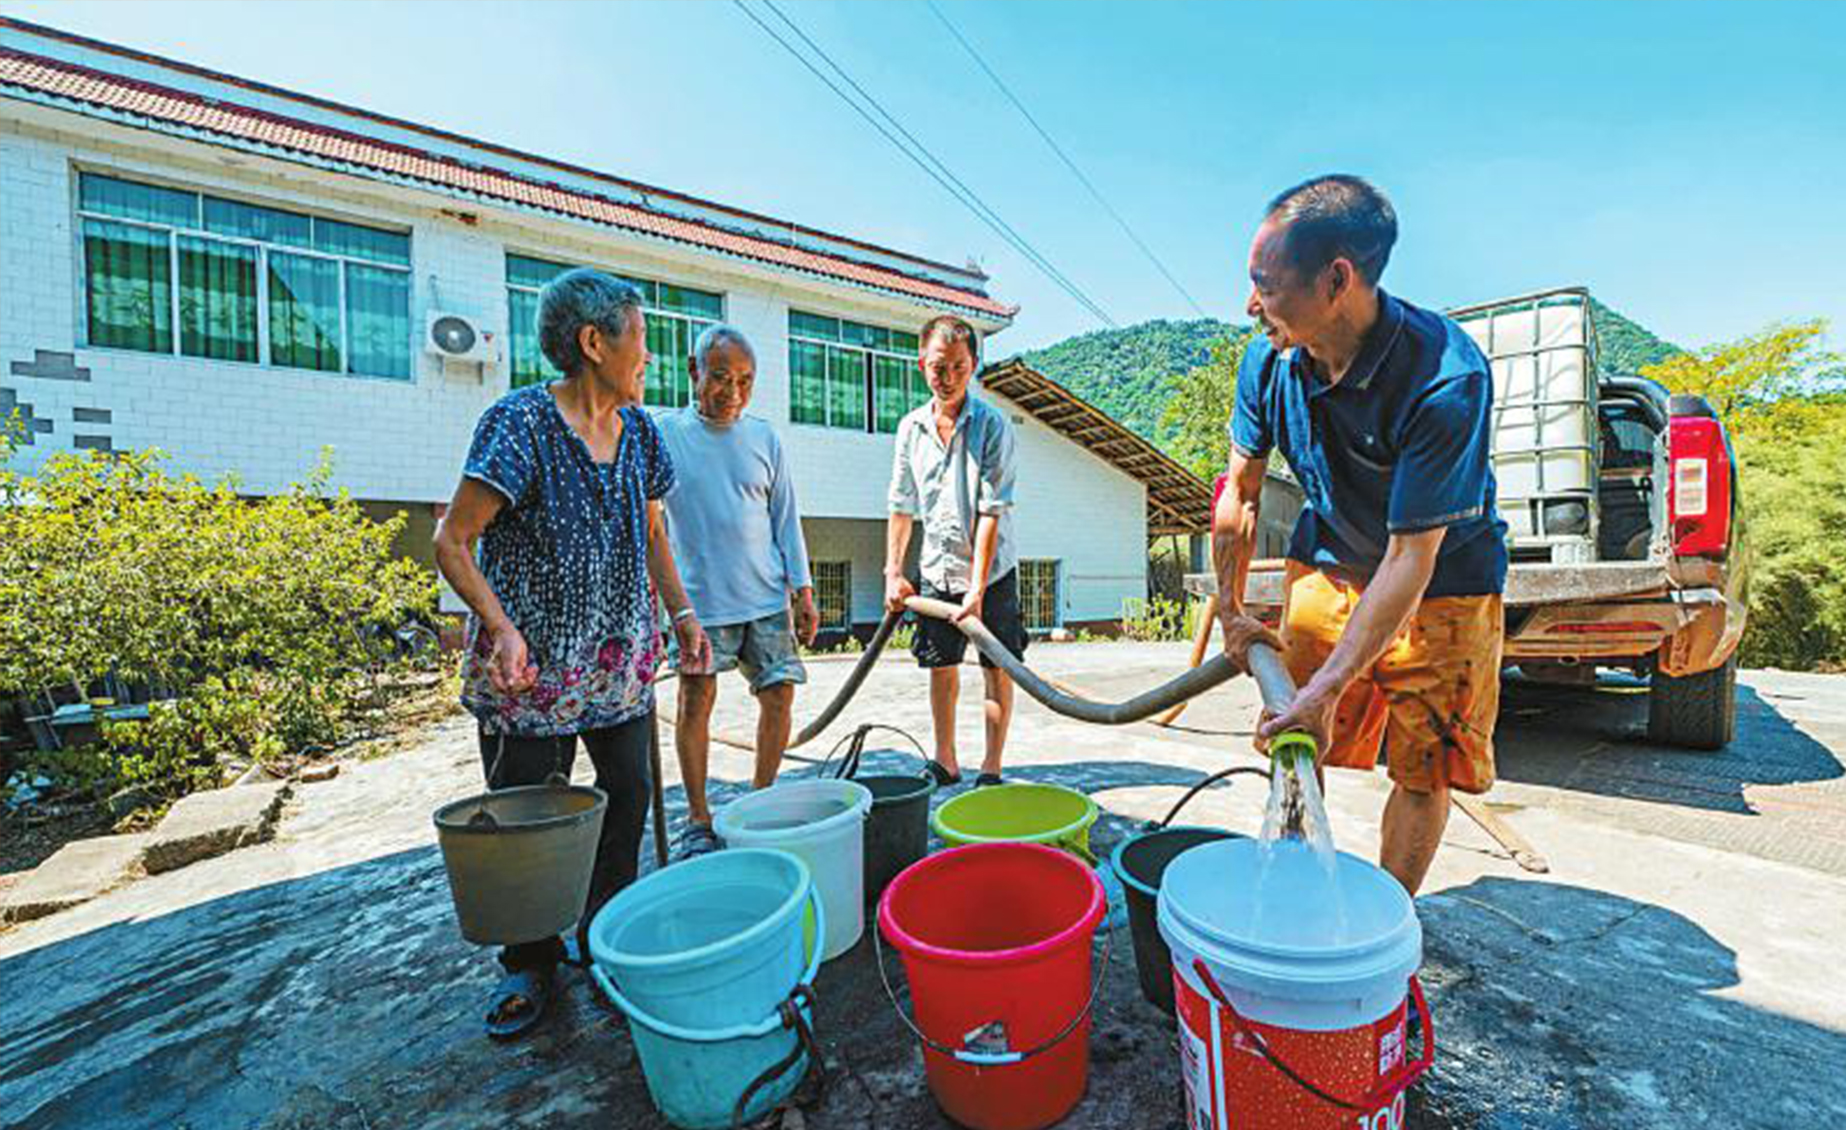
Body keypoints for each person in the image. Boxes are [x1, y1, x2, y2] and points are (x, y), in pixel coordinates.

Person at [434, 268, 712, 1041]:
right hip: (530, 674)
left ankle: (602, 936)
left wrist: (682, 612)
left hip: (617, 665)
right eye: (641, 341)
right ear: (594, 343)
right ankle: (530, 959)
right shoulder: (518, 424)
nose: (650, 359)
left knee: (626, 796)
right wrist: (502, 627)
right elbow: (452, 541)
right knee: (529, 820)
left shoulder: (643, 433)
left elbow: (654, 533)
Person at [1213, 174, 1509, 896]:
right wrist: (1230, 607)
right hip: (1329, 563)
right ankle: (1290, 891)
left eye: (1267, 284)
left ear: (1338, 279)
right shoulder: (1269, 359)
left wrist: (1332, 686)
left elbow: (1412, 557)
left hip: (1442, 585)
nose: (1251, 304)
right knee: (1294, 729)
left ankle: (1387, 919)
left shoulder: (1445, 377)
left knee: (1424, 763)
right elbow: (1240, 493)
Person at [656, 325, 819, 858]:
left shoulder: (764, 437)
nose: (733, 392)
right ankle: (698, 818)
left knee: (779, 695)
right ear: (693, 371)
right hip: (702, 605)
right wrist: (670, 605)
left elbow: (785, 517)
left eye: (745, 381)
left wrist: (803, 587)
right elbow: (652, 527)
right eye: (721, 378)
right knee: (696, 700)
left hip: (767, 599)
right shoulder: (665, 434)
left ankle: (761, 801)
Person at [884, 314, 1026, 788]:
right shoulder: (911, 429)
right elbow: (901, 505)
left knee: (995, 668)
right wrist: (892, 573)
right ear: (922, 363)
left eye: (959, 368)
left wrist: (978, 590)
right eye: (939, 367)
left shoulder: (992, 426)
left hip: (992, 574)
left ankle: (992, 767)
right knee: (941, 668)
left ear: (974, 366)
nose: (948, 378)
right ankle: (945, 760)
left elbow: (991, 512)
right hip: (936, 572)